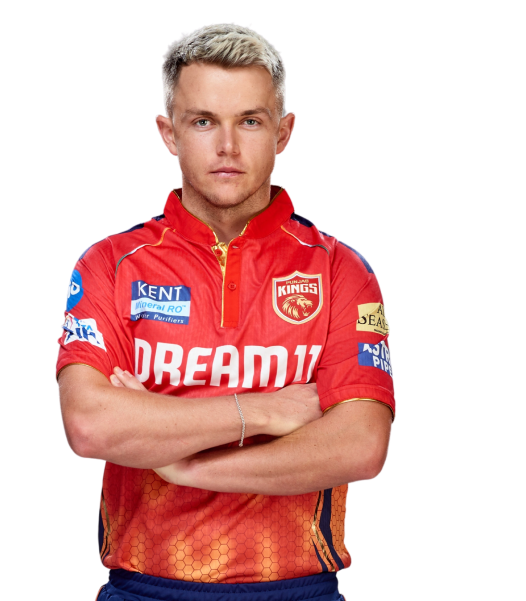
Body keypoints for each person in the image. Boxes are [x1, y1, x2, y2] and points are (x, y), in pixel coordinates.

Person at [56, 22, 395, 601]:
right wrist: (267, 410)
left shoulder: (342, 269)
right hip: (140, 589)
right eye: (204, 121)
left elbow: (360, 447)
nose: (228, 147)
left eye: (251, 121)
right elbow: (90, 425)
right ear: (168, 133)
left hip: (301, 590)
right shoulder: (110, 264)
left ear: (284, 132)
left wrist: (182, 464)